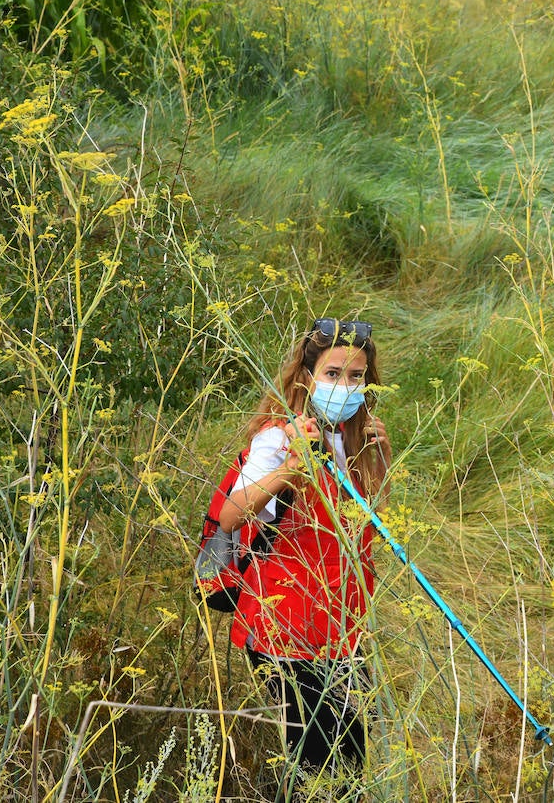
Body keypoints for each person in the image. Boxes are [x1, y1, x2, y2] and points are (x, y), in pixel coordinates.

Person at [219, 317, 390, 801]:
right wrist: (290, 471)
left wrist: (381, 461)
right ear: (306, 377)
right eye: (333, 374)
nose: (345, 386)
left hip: (339, 622)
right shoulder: (279, 436)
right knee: (318, 761)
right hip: (284, 622)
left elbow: (364, 524)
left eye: (356, 377)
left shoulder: (352, 436)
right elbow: (232, 514)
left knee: (350, 760)